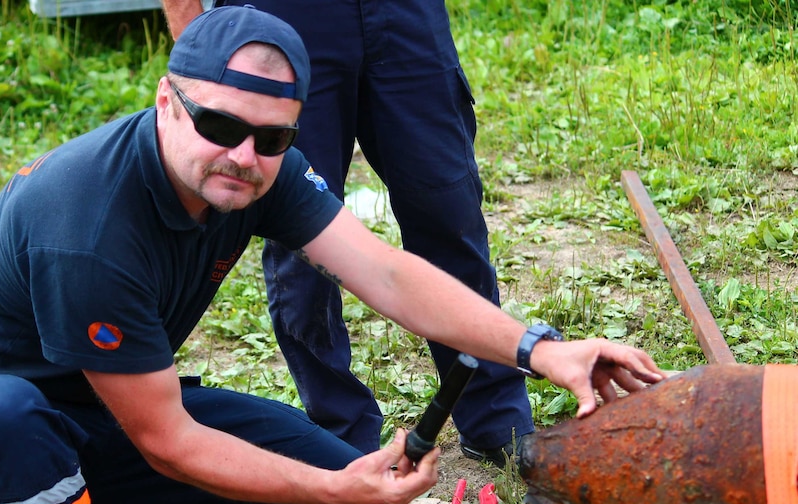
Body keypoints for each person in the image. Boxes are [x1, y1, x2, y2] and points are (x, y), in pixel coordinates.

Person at [0, 6, 664, 504]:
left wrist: (540, 349)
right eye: (218, 124)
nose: (243, 155)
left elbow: (383, 271)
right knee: (7, 413)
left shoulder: (260, 168)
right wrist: (335, 487)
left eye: (271, 138)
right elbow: (167, 440)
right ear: (166, 101)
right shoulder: (87, 226)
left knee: (328, 474)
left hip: (108, 409)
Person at [160, 0, 541, 464]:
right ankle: (341, 438)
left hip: (405, 15)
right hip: (284, 16)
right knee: (301, 238)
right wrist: (198, 48)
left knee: (448, 208)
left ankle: (495, 416)